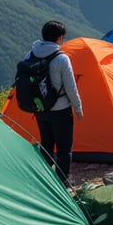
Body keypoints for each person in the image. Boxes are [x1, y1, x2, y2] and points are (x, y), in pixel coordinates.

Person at [27, 20, 82, 183]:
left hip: (40, 108)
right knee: (64, 148)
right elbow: (71, 87)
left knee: (46, 144)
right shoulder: (61, 59)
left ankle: (46, 180)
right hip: (60, 110)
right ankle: (63, 182)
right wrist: (78, 108)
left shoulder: (30, 55)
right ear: (59, 38)